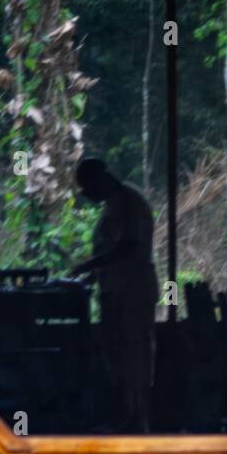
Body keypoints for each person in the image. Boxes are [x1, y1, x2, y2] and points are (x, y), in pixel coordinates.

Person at [72, 158, 159, 433]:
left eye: (88, 188)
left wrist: (89, 266)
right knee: (120, 356)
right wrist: (93, 272)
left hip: (132, 292)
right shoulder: (114, 203)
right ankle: (127, 416)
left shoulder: (129, 202)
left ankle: (137, 419)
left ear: (100, 179)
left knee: (134, 355)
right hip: (116, 291)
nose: (89, 196)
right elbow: (110, 250)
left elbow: (129, 248)